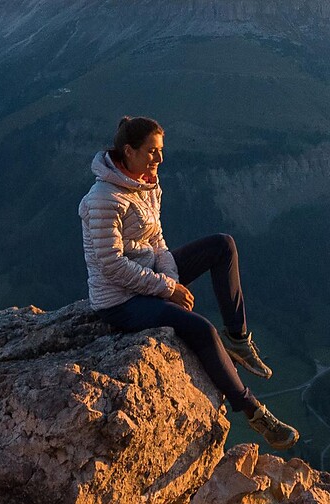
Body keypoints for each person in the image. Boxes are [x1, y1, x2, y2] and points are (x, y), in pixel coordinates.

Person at [80, 115, 300, 449]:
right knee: (200, 329)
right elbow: (110, 266)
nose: (160, 159)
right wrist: (167, 289)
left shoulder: (146, 184)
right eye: (152, 151)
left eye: (160, 150)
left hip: (151, 277)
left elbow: (159, 242)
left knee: (222, 245)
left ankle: (238, 339)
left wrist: (170, 278)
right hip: (120, 302)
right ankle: (254, 411)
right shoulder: (103, 201)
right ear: (129, 150)